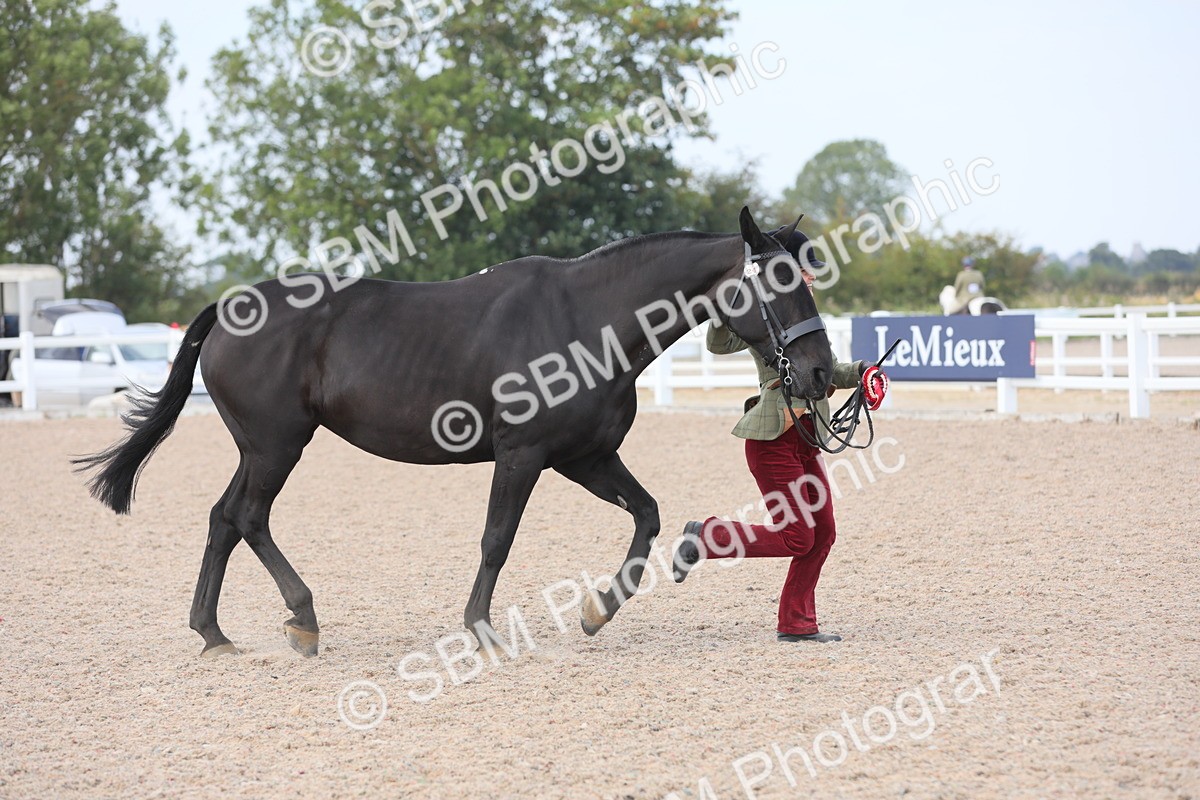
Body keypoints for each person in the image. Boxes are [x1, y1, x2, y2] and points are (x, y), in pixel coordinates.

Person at [673, 227, 886, 643]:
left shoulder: (804, 320)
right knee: (797, 536)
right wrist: (724, 303)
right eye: (805, 271)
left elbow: (829, 370)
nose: (812, 278)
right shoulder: (763, 317)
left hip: (806, 441)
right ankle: (707, 537)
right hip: (773, 441)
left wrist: (863, 371)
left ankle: (796, 622)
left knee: (823, 534)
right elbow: (718, 343)